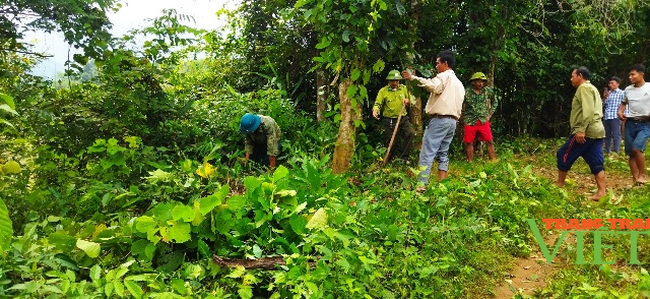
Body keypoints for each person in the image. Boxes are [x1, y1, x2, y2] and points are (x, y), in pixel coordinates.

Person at [402, 50, 465, 190]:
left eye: (437, 63)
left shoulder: (443, 77)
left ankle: (421, 186)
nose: (436, 66)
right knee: (443, 152)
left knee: (427, 152)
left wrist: (413, 78)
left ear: (445, 63)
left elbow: (433, 86)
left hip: (440, 119)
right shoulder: (459, 84)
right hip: (452, 121)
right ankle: (442, 185)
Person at [556, 66, 606, 200]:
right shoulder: (593, 88)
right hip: (597, 130)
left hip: (586, 131)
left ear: (580, 76)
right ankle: (602, 192)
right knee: (595, 160)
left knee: (563, 154)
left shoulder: (583, 88)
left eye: (573, 76)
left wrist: (582, 129)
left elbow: (588, 111)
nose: (571, 79)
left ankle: (559, 186)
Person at [372, 70, 416, 163]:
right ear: (389, 81)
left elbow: (412, 101)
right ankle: (389, 162)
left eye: (397, 81)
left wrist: (408, 101)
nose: (395, 83)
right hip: (390, 119)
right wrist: (375, 110)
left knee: (410, 133)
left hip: (403, 118)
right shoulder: (383, 91)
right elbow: (378, 103)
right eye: (393, 81)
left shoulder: (404, 88)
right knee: (392, 142)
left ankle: (404, 158)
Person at [617, 64, 650, 184]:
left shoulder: (649, 87)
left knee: (637, 148)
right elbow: (623, 103)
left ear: (641, 74)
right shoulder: (628, 90)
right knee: (631, 152)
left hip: (645, 123)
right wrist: (620, 112)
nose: (630, 77)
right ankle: (636, 179)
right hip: (630, 122)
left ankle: (642, 175)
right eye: (629, 74)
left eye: (633, 74)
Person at [462, 72, 497, 161]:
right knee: (469, 142)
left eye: (482, 81)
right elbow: (460, 103)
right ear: (473, 82)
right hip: (470, 120)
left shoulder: (487, 91)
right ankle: (470, 162)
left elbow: (495, 101)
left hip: (483, 120)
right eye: (478, 81)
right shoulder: (466, 92)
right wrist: (461, 115)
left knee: (489, 141)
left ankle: (493, 160)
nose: (480, 83)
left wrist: (490, 114)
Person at [602, 76, 625, 154]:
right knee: (606, 135)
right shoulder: (608, 93)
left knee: (616, 135)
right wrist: (604, 98)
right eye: (609, 83)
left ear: (618, 84)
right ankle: (607, 151)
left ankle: (616, 152)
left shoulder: (622, 93)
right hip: (607, 116)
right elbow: (603, 105)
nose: (610, 85)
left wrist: (624, 116)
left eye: (612, 83)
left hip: (616, 116)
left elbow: (626, 105)